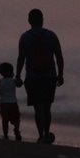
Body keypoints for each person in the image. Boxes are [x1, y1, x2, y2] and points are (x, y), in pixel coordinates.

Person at [14, 8, 64, 144]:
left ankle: (41, 135)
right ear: (42, 19)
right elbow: (59, 57)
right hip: (49, 76)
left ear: (29, 21)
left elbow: (21, 58)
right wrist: (60, 75)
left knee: (38, 107)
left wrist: (17, 76)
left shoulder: (24, 37)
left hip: (32, 77)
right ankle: (47, 134)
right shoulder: (51, 35)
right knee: (47, 107)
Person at [0, 61, 23, 141]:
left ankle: (5, 135)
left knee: (5, 121)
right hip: (13, 103)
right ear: (10, 72)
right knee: (16, 118)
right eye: (12, 71)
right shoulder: (13, 81)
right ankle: (16, 129)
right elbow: (20, 85)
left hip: (3, 104)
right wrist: (20, 80)